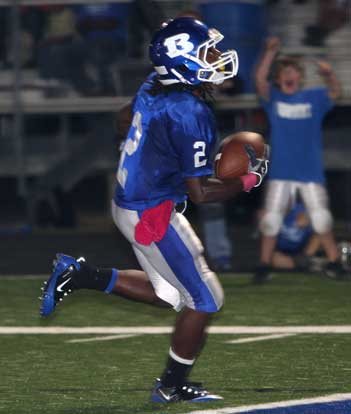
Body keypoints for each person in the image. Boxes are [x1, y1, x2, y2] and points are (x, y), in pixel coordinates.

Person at [39, 17, 269, 403]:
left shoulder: (154, 83)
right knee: (206, 299)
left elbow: (123, 119)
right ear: (184, 62)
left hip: (132, 203)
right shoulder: (190, 112)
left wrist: (150, 154)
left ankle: (79, 275)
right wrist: (247, 181)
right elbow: (199, 194)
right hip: (152, 213)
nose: (217, 57)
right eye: (207, 52)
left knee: (168, 295)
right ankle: (171, 385)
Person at [254, 36, 343, 284]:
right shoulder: (274, 99)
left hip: (310, 171)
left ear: (300, 78)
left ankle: (335, 262)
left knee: (321, 217)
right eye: (285, 72)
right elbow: (260, 81)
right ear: (280, 79)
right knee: (271, 220)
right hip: (282, 171)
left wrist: (328, 75)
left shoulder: (313, 98)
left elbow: (335, 93)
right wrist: (270, 52)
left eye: (293, 71)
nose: (289, 75)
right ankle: (263, 264)